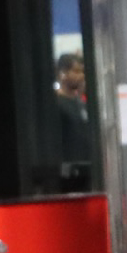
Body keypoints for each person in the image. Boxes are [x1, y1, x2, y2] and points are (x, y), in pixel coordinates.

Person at [53, 52, 92, 180]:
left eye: (82, 72)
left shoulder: (81, 103)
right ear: (63, 74)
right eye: (76, 71)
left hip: (85, 167)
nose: (81, 76)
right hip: (68, 171)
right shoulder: (56, 103)